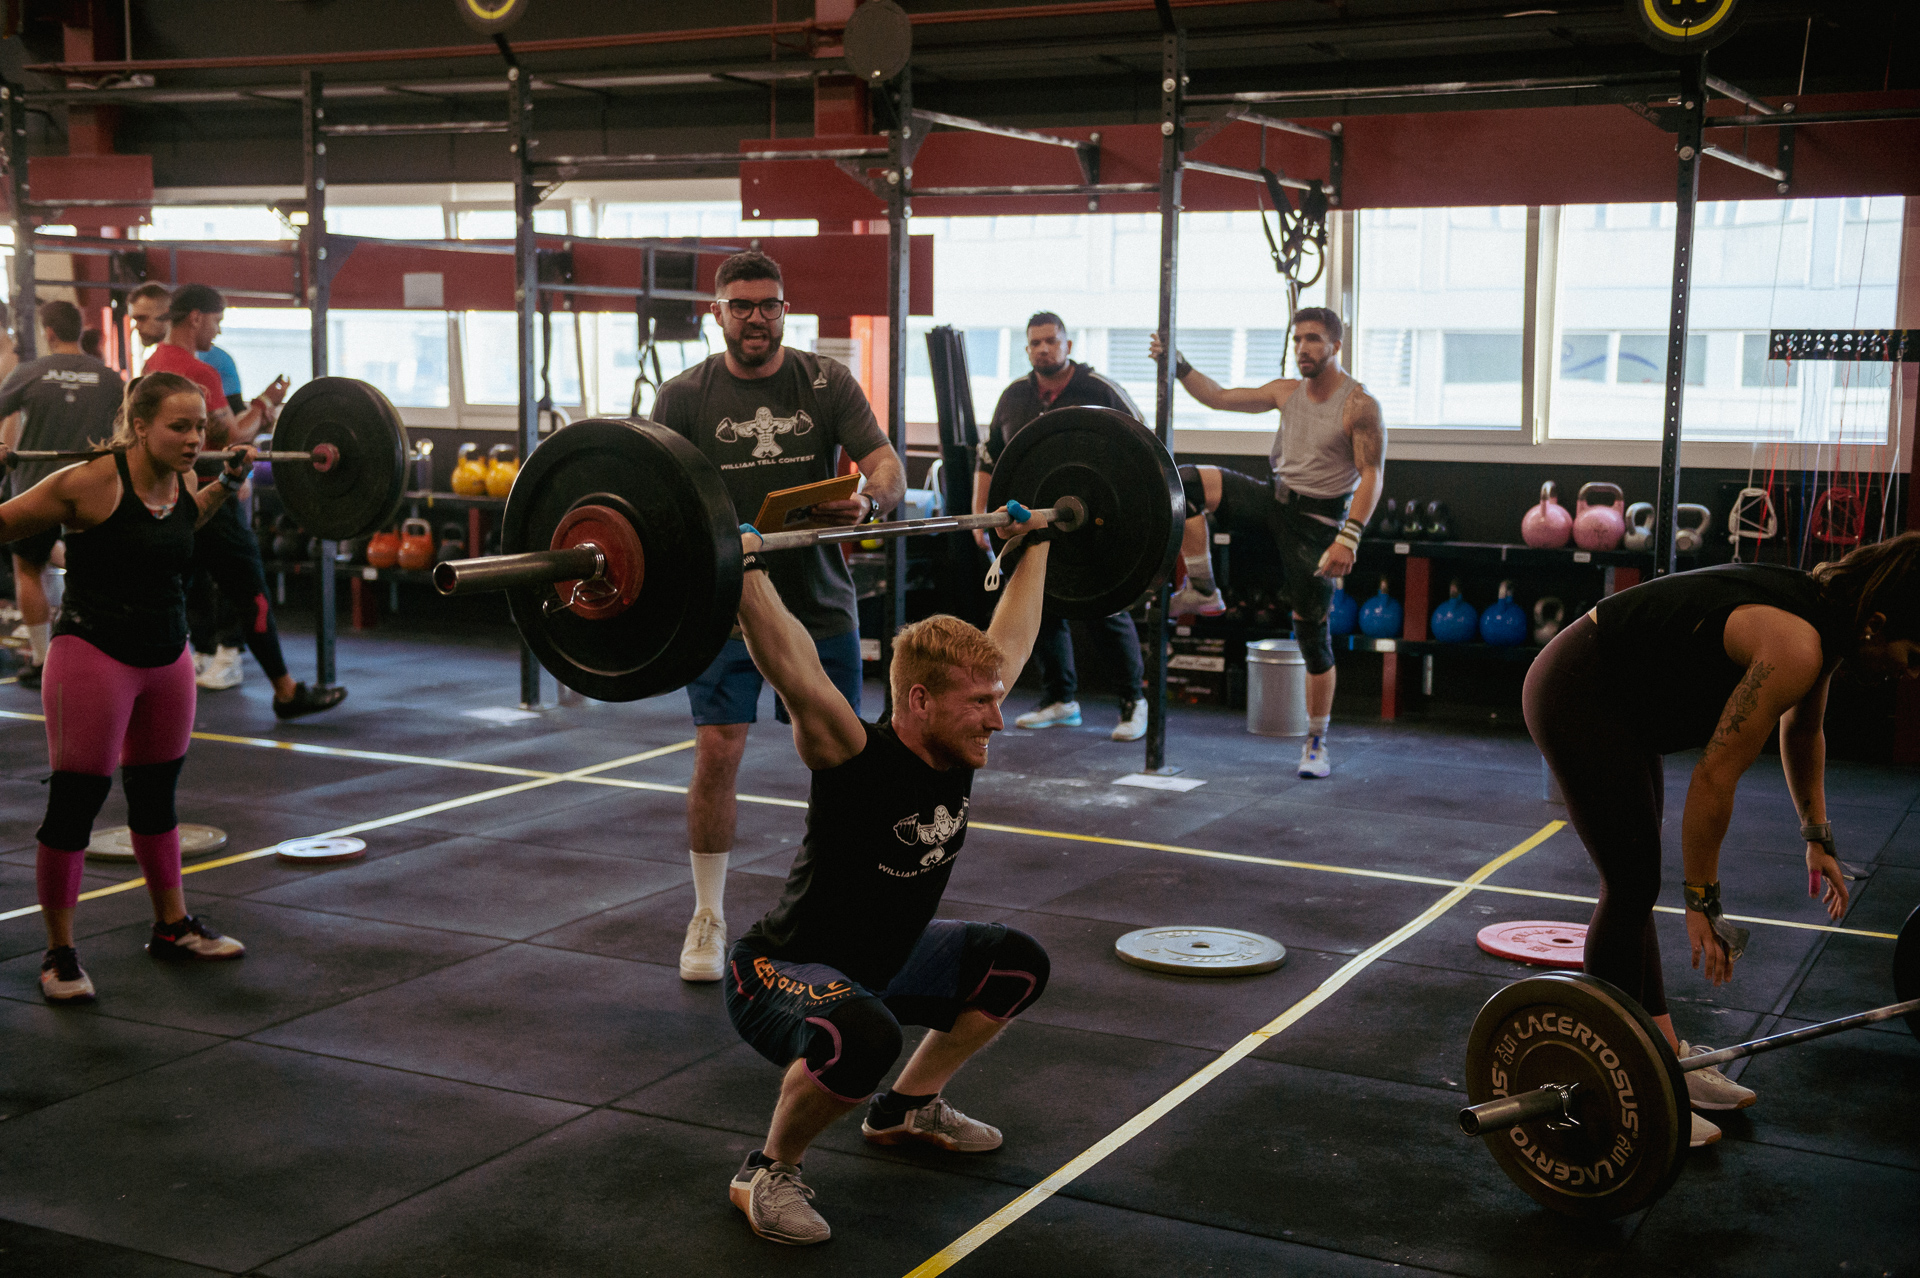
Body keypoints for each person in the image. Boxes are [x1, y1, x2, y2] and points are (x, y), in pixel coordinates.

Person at [723, 508, 1053, 1247]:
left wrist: (1035, 545)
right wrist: (745, 569)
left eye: (996, 700)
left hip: (885, 958)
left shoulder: (959, 738)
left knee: (1015, 965)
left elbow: (1015, 642)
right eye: (980, 704)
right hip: (777, 969)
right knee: (861, 1036)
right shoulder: (851, 755)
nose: (997, 721)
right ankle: (767, 1170)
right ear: (919, 701)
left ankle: (907, 1107)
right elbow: (797, 670)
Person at [1523, 539, 1920, 1149]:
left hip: (1625, 708)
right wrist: (1703, 902)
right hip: (1579, 692)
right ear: (1877, 623)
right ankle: (1619, 1081)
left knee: (1636, 882)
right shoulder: (1796, 643)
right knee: (1631, 886)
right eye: (1913, 654)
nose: (1912, 672)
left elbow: (1804, 727)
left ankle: (1663, 1058)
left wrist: (1818, 837)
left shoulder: (1826, 626)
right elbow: (1715, 775)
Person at [651, 250, 905, 984]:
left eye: (768, 304)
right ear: (718, 312)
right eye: (741, 305)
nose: (755, 317)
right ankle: (707, 913)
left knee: (840, 757)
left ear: (784, 310)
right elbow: (653, 493)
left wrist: (866, 500)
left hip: (820, 603)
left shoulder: (824, 381)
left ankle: (846, 905)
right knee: (719, 752)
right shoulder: (683, 396)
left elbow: (888, 467)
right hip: (724, 605)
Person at [0, 371, 254, 1004]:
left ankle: (171, 926)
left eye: (199, 427)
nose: (196, 438)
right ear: (140, 427)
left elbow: (185, 522)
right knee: (76, 805)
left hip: (167, 656)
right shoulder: (88, 482)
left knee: (155, 797)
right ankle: (60, 954)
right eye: (180, 427)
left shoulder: (185, 479)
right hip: (94, 655)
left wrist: (227, 483)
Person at [1149, 309, 1384, 779]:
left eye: (1314, 340)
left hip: (1317, 524)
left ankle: (1316, 742)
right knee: (1185, 486)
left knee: (1312, 637)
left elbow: (1372, 476)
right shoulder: (1285, 391)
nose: (1304, 348)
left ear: (1336, 347)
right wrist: (1177, 366)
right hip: (1273, 500)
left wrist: (1349, 537)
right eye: (1298, 339)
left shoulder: (1359, 405)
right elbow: (1217, 398)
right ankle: (1203, 589)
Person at [137, 283, 340, 719]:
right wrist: (267, 404)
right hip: (211, 495)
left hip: (164, 496)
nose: (218, 331)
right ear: (195, 317)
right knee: (252, 591)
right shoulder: (199, 372)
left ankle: (146, 692)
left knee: (169, 591)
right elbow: (232, 437)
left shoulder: (153, 366)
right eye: (216, 321)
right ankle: (285, 692)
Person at [974, 312, 1148, 742]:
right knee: (1041, 607)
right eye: (1035, 343)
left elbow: (1144, 449)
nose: (1043, 349)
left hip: (1100, 526)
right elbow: (989, 458)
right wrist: (980, 514)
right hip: (1033, 522)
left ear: (1069, 345)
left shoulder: (1099, 390)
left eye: (1051, 341)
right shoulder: (1014, 396)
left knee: (1107, 612)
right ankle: (1060, 700)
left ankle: (1133, 702)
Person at [0, 300, 125, 690]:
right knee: (97, 571)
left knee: (28, 570)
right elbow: (128, 430)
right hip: (92, 492)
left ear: (49, 332)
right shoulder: (108, 378)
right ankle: (104, 650)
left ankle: (41, 661)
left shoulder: (30, 372)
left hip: (35, 490)